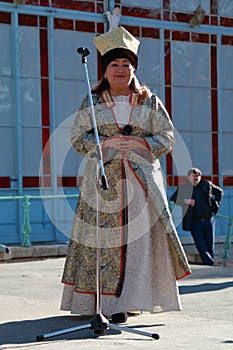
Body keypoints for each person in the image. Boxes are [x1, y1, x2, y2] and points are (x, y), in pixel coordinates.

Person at [60, 26, 191, 323]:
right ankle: (99, 304)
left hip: (140, 183)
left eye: (126, 65)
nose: (121, 70)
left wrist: (140, 142)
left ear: (134, 70)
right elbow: (78, 138)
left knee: (135, 245)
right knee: (102, 244)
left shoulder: (149, 101)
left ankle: (128, 300)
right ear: (104, 71)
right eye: (114, 65)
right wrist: (103, 143)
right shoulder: (92, 102)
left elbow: (168, 137)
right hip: (103, 184)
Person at [170, 168, 223, 266]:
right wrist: (186, 201)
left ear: (200, 177)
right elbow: (174, 199)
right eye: (193, 176)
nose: (196, 178)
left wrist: (214, 206)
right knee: (201, 246)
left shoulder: (206, 184)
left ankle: (209, 266)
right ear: (188, 177)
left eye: (197, 176)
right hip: (195, 222)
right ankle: (210, 264)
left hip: (208, 220)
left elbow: (219, 192)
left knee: (209, 246)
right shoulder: (184, 187)